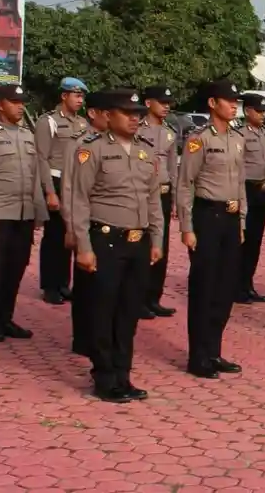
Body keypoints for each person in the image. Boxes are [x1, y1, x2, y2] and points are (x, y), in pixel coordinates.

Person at [68, 89, 164, 403]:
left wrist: (157, 239)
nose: (135, 118)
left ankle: (123, 375)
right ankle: (104, 376)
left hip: (138, 242)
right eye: (128, 113)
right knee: (103, 310)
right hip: (105, 240)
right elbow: (79, 200)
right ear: (109, 116)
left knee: (128, 313)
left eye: (138, 113)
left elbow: (153, 200)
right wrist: (83, 246)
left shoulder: (146, 151)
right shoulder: (90, 150)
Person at [177, 79, 247, 379]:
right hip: (207, 216)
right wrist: (187, 227)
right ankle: (198, 356)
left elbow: (241, 183)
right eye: (228, 100)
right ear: (212, 104)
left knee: (225, 288)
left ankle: (214, 351)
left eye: (236, 101)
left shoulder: (238, 138)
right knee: (204, 288)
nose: (234, 105)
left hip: (231, 220)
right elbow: (185, 184)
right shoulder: (199, 139)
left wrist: (242, 220)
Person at [0, 83, 47, 342]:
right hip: (0, 213)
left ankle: (6, 317)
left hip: (24, 213)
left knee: (16, 267)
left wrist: (39, 210)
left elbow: (35, 175)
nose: (20, 106)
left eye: (22, 102)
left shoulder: (28, 134)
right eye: (15, 102)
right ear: (0, 104)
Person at [60, 90, 110, 356]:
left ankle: (100, 336)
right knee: (85, 284)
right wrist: (71, 227)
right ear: (93, 114)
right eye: (107, 113)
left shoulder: (116, 142)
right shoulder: (79, 143)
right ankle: (82, 338)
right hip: (85, 222)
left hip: (110, 224)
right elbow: (69, 188)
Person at [34, 77, 89, 304]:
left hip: (76, 183)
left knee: (72, 235)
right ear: (64, 96)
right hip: (57, 180)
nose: (80, 100)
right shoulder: (49, 121)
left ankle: (64, 283)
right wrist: (49, 191)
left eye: (82, 96)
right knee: (54, 237)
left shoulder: (83, 123)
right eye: (76, 95)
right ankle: (50, 285)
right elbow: (41, 158)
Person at [137, 86, 179, 319]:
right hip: (144, 193)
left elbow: (173, 167)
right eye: (161, 102)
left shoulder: (170, 132)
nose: (166, 106)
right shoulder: (138, 129)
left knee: (161, 244)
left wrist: (173, 198)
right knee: (144, 246)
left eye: (168, 103)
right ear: (148, 103)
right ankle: (139, 299)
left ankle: (154, 297)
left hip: (163, 193)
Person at [238, 93, 265, 304]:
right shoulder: (240, 135)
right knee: (243, 241)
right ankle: (237, 286)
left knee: (255, 243)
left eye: (264, 111)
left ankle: (248, 284)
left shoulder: (264, 135)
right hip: (246, 191)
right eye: (259, 111)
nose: (263, 114)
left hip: (261, 192)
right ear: (247, 111)